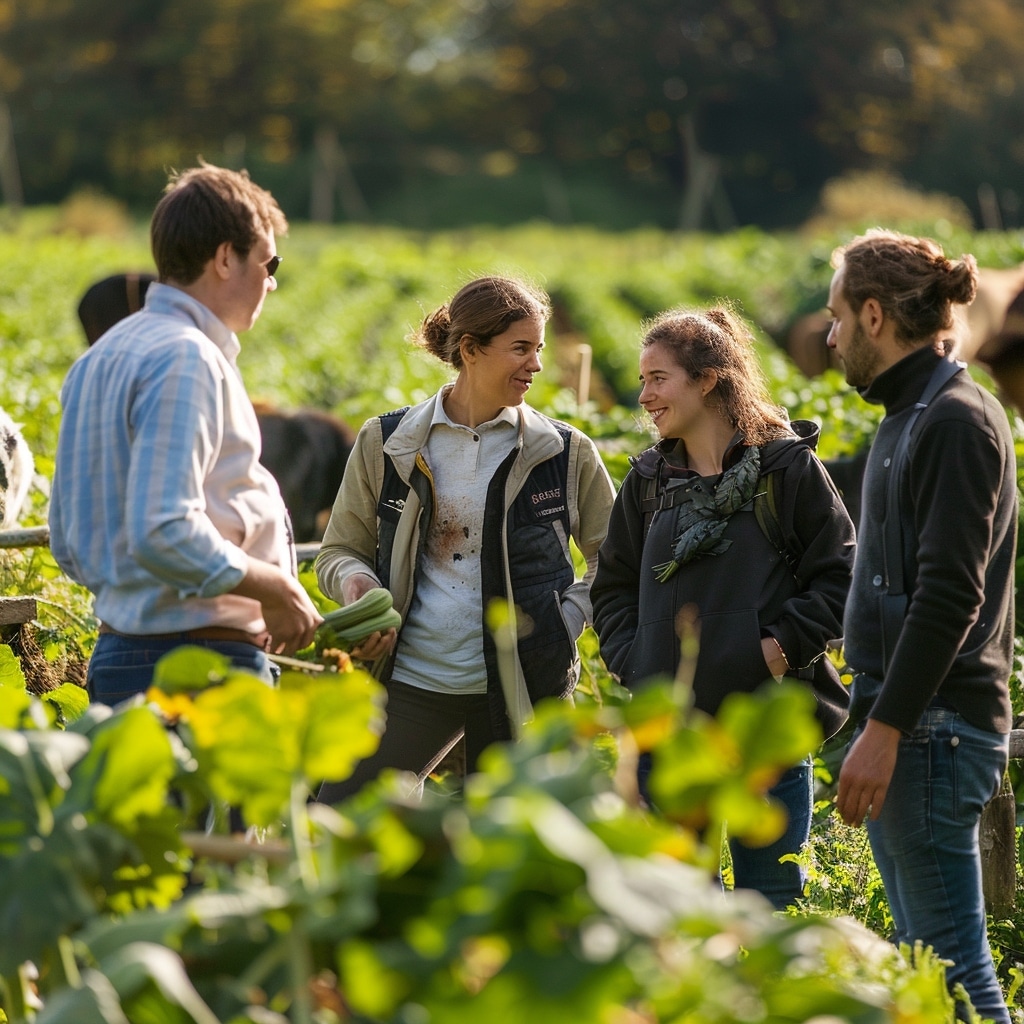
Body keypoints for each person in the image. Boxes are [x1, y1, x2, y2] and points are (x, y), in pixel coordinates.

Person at [591, 306, 855, 910]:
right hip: (672, 747)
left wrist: (776, 651)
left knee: (772, 908)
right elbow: (611, 589)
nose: (645, 395)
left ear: (708, 379)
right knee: (683, 912)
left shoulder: (786, 470)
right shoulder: (649, 481)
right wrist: (639, 662)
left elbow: (841, 577)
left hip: (764, 739)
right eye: (641, 381)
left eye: (658, 378)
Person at [314, 275, 616, 801]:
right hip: (410, 682)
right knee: (341, 818)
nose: (537, 365)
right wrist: (357, 584)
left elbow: (612, 560)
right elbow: (339, 551)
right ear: (471, 350)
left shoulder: (564, 452)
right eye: (521, 348)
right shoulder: (388, 442)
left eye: (539, 348)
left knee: (514, 859)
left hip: (524, 688)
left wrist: (562, 622)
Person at [49, 163, 322, 705]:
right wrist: (276, 586)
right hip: (199, 671)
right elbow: (164, 530)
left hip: (124, 653)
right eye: (269, 263)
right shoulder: (186, 357)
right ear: (225, 258)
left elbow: (67, 543)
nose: (270, 282)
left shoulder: (101, 357)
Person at [830, 230, 1016, 1024]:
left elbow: (949, 596)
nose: (829, 335)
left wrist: (886, 726)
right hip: (911, 722)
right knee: (923, 964)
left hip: (933, 726)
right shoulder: (910, 413)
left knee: (949, 963)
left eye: (837, 316)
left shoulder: (954, 419)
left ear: (874, 315)